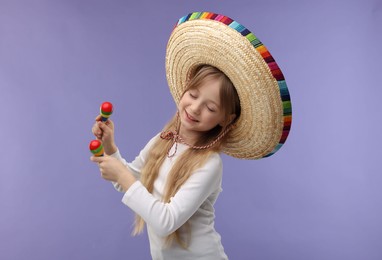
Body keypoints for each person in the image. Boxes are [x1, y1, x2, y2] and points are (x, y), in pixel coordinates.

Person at [90, 12, 292, 260]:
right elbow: (133, 182)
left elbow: (166, 221)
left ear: (225, 119)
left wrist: (122, 175)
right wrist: (111, 148)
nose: (195, 108)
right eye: (193, 95)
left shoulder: (209, 164)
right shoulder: (163, 140)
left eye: (210, 108)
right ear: (184, 89)